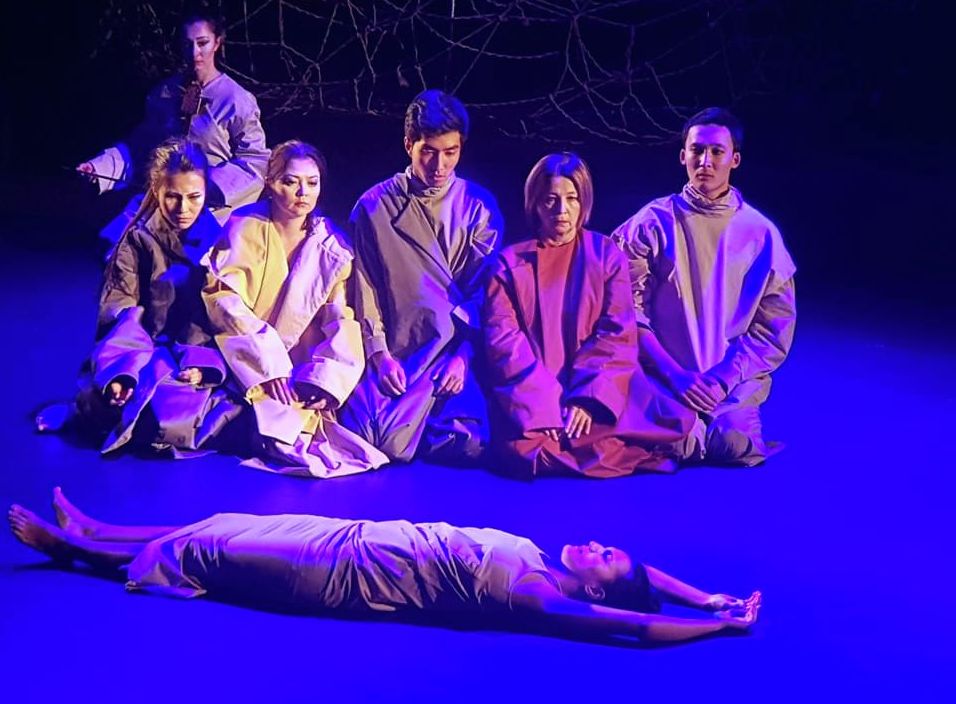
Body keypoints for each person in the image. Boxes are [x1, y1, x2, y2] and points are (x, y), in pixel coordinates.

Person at [9, 488, 761, 645]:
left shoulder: (539, 595)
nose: (594, 545)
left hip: (335, 577)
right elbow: (645, 580)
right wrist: (707, 597)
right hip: (354, 535)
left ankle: (71, 551)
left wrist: (715, 630)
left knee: (209, 554)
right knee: (218, 524)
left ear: (595, 584)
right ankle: (98, 528)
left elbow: (632, 624)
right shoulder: (539, 557)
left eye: (603, 557)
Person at [483, 153, 694, 478]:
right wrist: (542, 405)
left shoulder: (606, 254)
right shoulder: (509, 264)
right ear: (535, 203)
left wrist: (587, 399)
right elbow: (504, 344)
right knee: (527, 450)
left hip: (599, 384)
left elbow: (616, 333)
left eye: (571, 198)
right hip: (536, 388)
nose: (562, 210)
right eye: (551, 199)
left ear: (584, 201)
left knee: (615, 440)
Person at [612, 108, 796, 467]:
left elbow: (772, 329)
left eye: (716, 151)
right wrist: (675, 376)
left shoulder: (760, 234)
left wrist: (723, 379)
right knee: (681, 441)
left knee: (733, 444)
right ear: (683, 156)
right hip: (665, 374)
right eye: (697, 150)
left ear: (734, 159)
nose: (705, 161)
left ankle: (722, 424)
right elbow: (627, 309)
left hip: (731, 380)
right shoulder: (652, 223)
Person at [202, 140, 388, 477]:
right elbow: (225, 302)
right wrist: (268, 365)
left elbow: (340, 317)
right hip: (246, 358)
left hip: (300, 366)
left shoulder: (331, 245)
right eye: (290, 181)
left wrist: (326, 379)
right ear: (271, 183)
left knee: (324, 437)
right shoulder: (244, 226)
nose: (303, 192)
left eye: (312, 183)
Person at [36, 138, 233, 455]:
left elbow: (215, 315)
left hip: (190, 351)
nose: (183, 208)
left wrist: (201, 366)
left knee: (173, 422)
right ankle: (80, 408)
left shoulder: (219, 240)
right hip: (139, 347)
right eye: (172, 196)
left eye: (194, 197)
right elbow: (122, 305)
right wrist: (123, 370)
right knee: (109, 397)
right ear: (157, 190)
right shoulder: (136, 238)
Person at [341, 89, 503, 464]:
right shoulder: (374, 206)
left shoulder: (478, 208)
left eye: (451, 152)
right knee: (367, 436)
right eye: (428, 151)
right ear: (408, 144)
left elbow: (484, 294)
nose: (439, 165)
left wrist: (463, 357)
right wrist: (379, 355)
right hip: (397, 350)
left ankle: (429, 419)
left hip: (450, 351)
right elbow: (364, 288)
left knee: (469, 442)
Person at [79, 3, 270, 240]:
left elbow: (255, 159)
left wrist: (205, 186)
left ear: (217, 43)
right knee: (116, 248)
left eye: (202, 43)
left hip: (210, 210)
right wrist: (99, 167)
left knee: (187, 259)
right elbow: (140, 146)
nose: (195, 52)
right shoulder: (164, 93)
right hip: (162, 201)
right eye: (188, 44)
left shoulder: (236, 99)